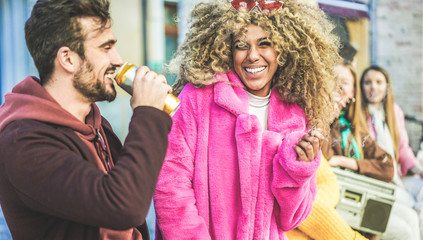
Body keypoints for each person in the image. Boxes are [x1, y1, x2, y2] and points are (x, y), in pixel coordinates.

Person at [153, 0, 340, 239]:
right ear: (227, 49)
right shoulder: (198, 98)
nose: (253, 56)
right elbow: (170, 185)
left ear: (282, 49)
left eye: (264, 44)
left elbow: (291, 219)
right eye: (241, 45)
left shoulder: (294, 114)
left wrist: (298, 170)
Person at [0, 0, 172, 239]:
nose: (118, 59)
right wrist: (147, 114)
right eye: (106, 47)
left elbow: (135, 192)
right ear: (68, 59)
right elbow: (123, 206)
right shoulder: (22, 142)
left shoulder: (94, 123)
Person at [325, 64, 419, 240]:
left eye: (344, 82)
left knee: (412, 219)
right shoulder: (328, 124)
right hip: (346, 199)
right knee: (404, 231)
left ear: (353, 92)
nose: (337, 87)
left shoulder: (353, 129)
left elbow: (388, 165)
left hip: (368, 192)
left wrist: (343, 161)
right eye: (333, 81)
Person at [360, 65, 423, 239]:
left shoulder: (394, 111)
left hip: (399, 176)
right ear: (361, 87)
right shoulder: (359, 114)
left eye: (379, 82)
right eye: (368, 82)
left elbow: (403, 148)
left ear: (386, 87)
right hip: (380, 179)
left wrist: (419, 170)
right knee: (410, 211)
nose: (373, 87)